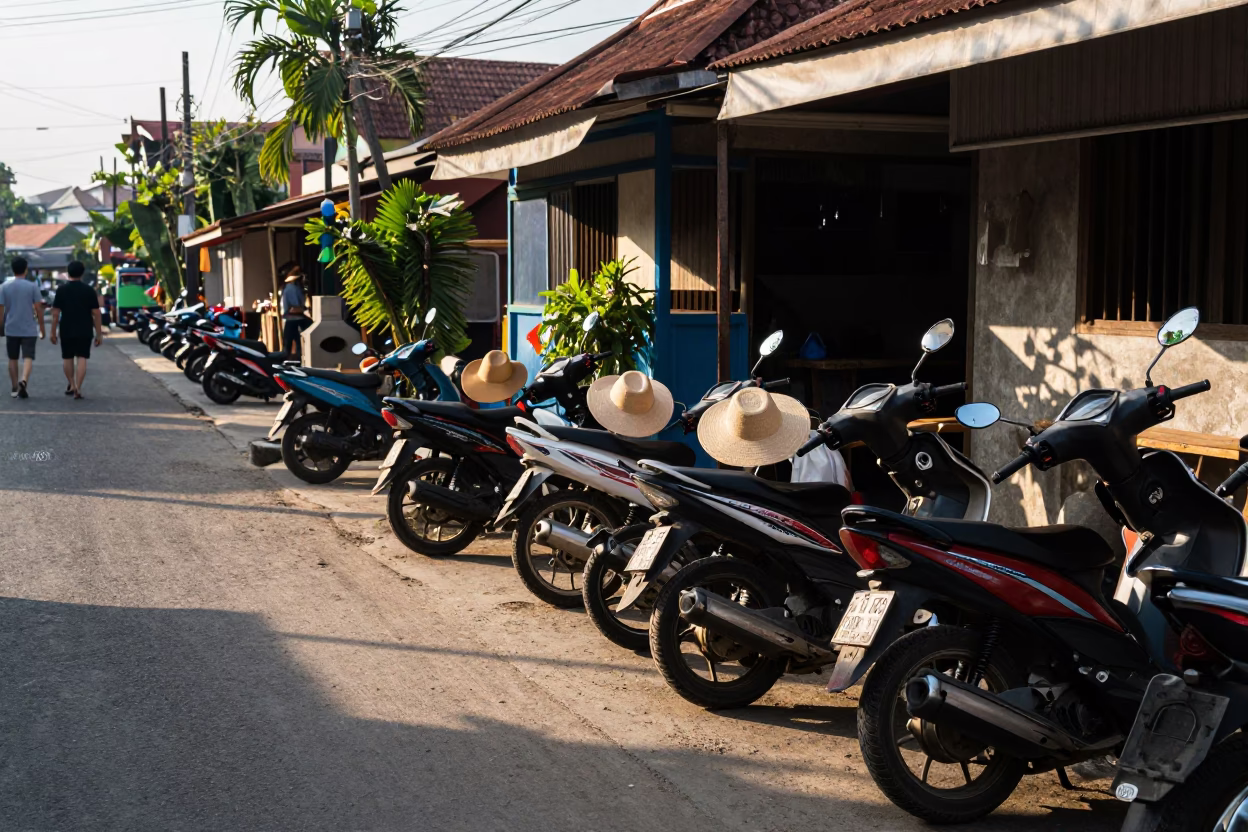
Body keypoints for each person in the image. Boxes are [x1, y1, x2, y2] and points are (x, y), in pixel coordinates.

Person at [50, 261, 103, 399]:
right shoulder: (89, 290)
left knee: (67, 357)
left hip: (66, 328)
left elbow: (55, 313)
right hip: (85, 328)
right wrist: (99, 333)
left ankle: (72, 384)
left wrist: (52, 331)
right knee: (82, 357)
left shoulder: (61, 290)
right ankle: (79, 388)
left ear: (68, 272)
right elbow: (96, 313)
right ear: (82, 273)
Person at [0, 257, 46, 399]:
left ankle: (14, 387)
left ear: (12, 269)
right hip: (29, 328)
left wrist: (1, 325)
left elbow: (1, 309)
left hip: (11, 327)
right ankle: (24, 380)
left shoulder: (4, 287)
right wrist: (42, 328)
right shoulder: (32, 287)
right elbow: (39, 309)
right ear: (25, 270)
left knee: (12, 358)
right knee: (28, 357)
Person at [280, 262, 311, 359]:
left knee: (289, 345)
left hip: (292, 319)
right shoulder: (292, 289)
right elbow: (296, 306)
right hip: (295, 319)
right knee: (298, 344)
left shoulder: (290, 288)